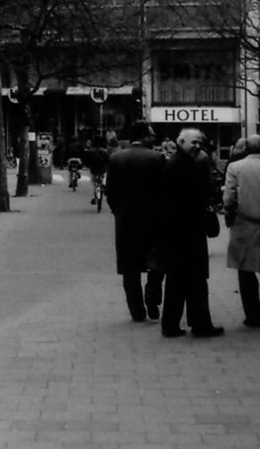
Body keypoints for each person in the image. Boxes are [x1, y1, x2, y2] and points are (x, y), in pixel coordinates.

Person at [155, 128, 224, 338]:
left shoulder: (179, 163)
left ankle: (177, 324)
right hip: (186, 232)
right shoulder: (181, 165)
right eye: (193, 142)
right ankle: (199, 324)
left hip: (180, 232)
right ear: (181, 142)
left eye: (199, 142)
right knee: (193, 280)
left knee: (181, 281)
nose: (197, 146)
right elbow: (187, 200)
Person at [104, 120, 165, 322]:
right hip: (153, 220)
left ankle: (137, 311)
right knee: (156, 260)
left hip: (126, 222)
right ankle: (153, 293)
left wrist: (118, 211)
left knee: (130, 269)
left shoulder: (116, 158)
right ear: (144, 136)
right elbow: (164, 191)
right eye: (151, 134)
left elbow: (110, 191)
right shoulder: (157, 158)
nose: (154, 138)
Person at [222, 133, 260, 327]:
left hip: (245, 223)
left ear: (246, 148)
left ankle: (253, 314)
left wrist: (228, 214)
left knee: (245, 271)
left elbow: (229, 197)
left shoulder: (236, 167)